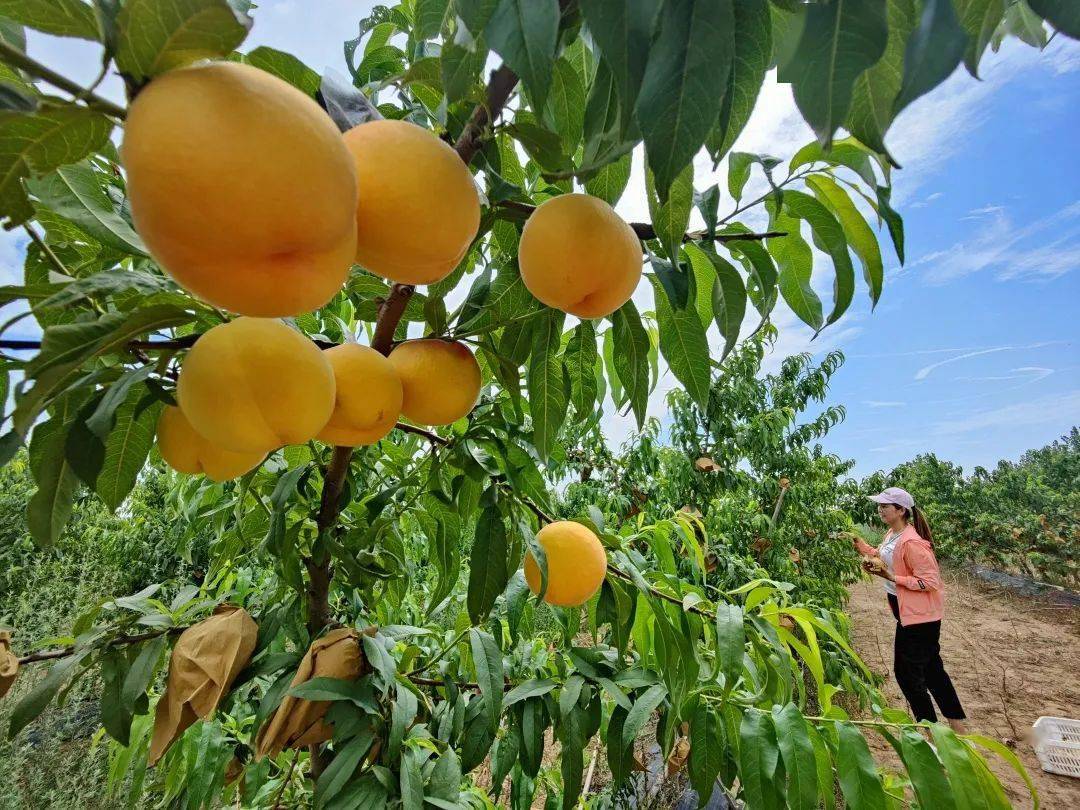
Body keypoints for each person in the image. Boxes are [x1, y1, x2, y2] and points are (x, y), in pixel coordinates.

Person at [853, 487, 968, 732]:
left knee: (907, 676)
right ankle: (958, 731)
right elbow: (887, 556)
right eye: (880, 505)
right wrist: (864, 549)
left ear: (901, 510)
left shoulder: (913, 542)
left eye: (885, 506)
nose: (880, 509)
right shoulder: (893, 534)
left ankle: (932, 733)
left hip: (919, 619)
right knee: (933, 672)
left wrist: (893, 577)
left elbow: (930, 582)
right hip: (907, 614)